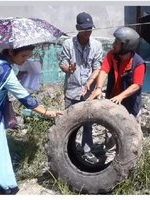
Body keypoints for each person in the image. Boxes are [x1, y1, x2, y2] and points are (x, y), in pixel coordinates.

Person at [0, 45, 62, 195]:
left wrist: (17, 78)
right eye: (24, 56)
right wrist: (46, 112)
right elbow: (25, 98)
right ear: (12, 53)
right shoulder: (5, 70)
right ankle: (4, 187)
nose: (25, 60)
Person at [59, 12, 103, 164]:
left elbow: (97, 68)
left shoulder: (97, 45)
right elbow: (63, 63)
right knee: (69, 122)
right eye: (84, 30)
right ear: (78, 28)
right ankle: (69, 151)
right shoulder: (68, 44)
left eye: (90, 29)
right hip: (72, 90)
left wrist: (89, 83)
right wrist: (68, 69)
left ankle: (87, 151)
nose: (87, 33)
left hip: (88, 92)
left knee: (88, 123)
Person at [86, 26, 146, 120]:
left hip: (131, 105)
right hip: (113, 101)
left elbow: (136, 85)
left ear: (125, 46)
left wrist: (121, 96)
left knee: (131, 131)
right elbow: (104, 70)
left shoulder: (139, 63)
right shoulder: (112, 54)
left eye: (116, 43)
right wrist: (99, 88)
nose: (113, 44)